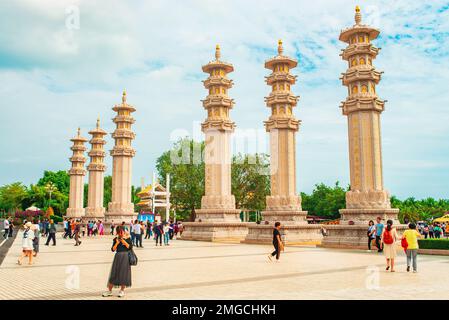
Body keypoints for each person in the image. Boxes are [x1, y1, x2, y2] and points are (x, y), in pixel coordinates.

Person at [103, 226, 132, 298]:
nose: (121, 233)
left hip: (125, 257)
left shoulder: (128, 238)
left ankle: (122, 291)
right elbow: (113, 249)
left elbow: (130, 247)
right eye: (119, 232)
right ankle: (109, 291)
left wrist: (123, 241)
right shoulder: (115, 239)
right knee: (114, 273)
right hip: (118, 257)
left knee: (124, 274)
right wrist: (117, 243)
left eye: (122, 232)